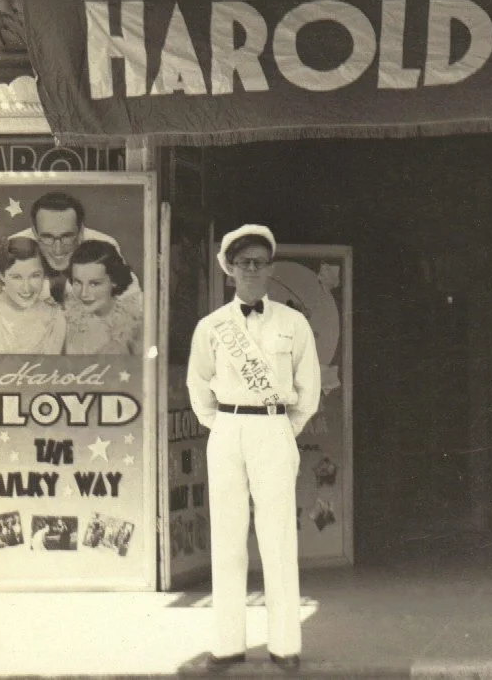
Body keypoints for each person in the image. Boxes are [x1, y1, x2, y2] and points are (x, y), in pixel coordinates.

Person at [187, 225, 321, 673]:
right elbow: (198, 385)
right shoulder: (212, 327)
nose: (251, 269)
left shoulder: (293, 323)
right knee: (226, 537)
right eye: (242, 262)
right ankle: (227, 645)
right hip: (227, 428)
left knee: (278, 536)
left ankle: (285, 645)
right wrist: (224, 424)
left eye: (259, 262)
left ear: (270, 268)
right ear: (229, 270)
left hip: (273, 429)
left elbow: (309, 387)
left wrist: (282, 428)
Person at [0, 191, 143, 309]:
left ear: (80, 231)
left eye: (66, 237)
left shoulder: (104, 247)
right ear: (34, 232)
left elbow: (134, 306)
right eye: (48, 237)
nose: (58, 249)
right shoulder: (14, 249)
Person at [0, 237, 66, 354]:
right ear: (1, 275)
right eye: (16, 277)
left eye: (35, 275)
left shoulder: (55, 317)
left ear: (44, 274)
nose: (26, 288)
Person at [62, 239, 143, 357]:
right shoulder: (64, 321)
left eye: (94, 284)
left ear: (114, 280)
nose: (84, 293)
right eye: (78, 282)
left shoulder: (135, 325)